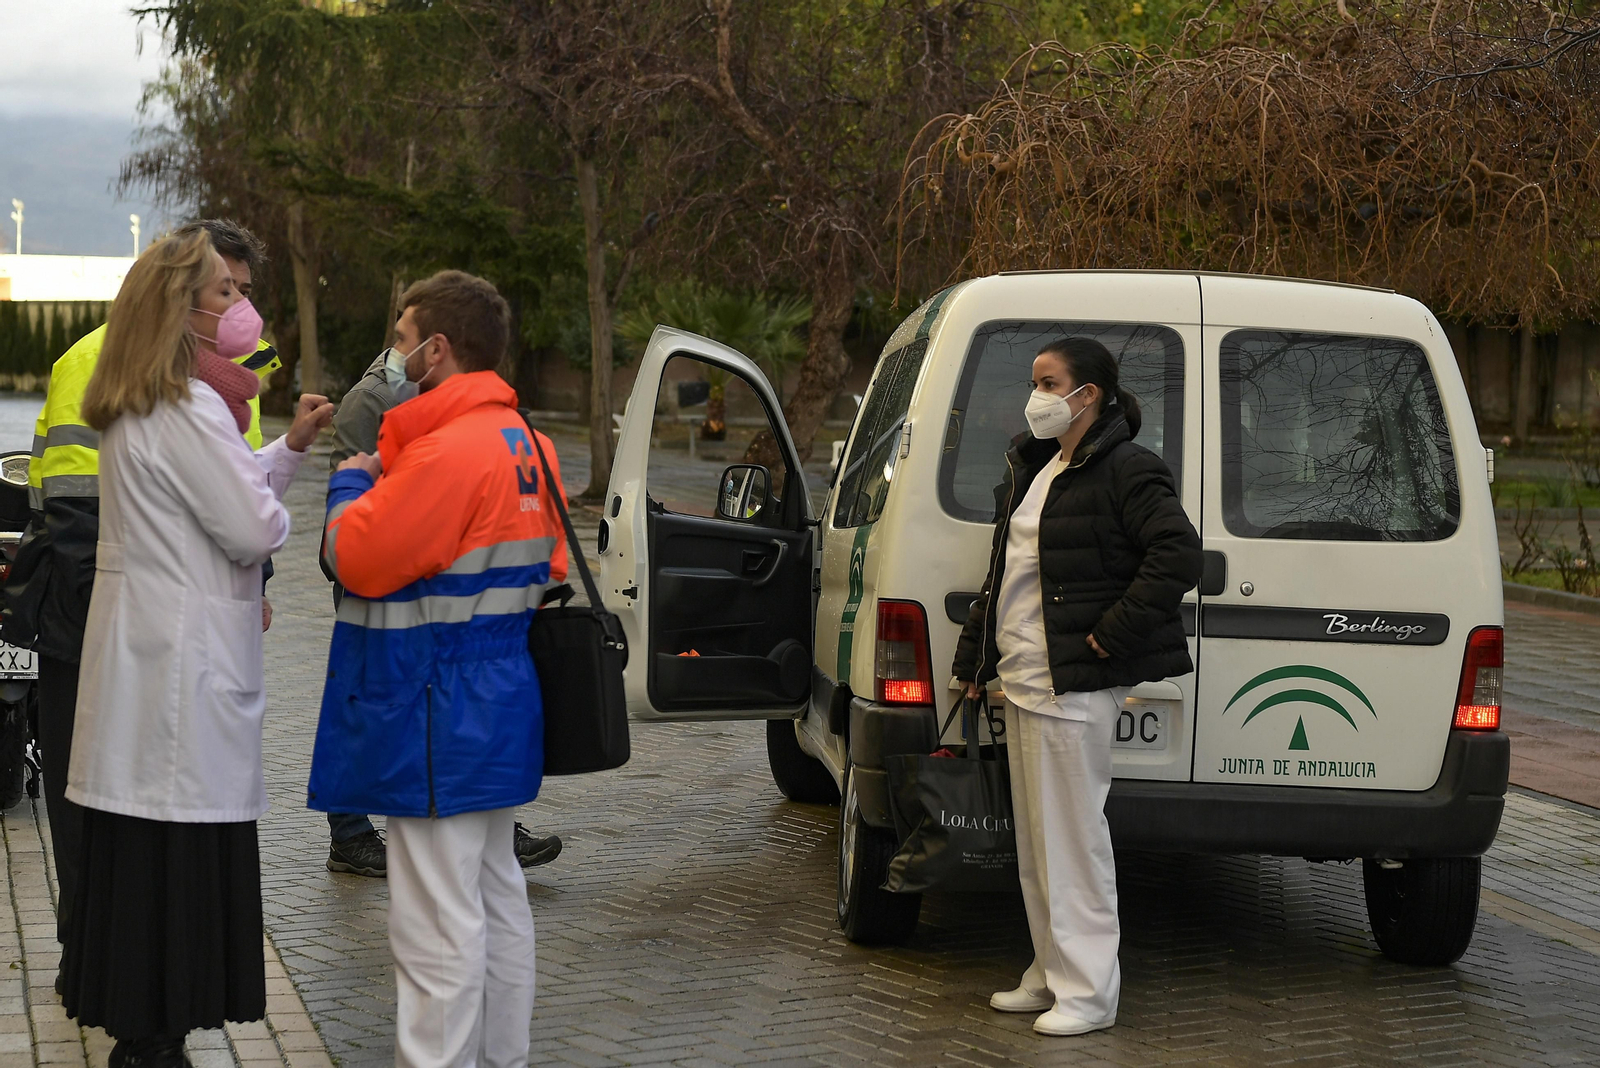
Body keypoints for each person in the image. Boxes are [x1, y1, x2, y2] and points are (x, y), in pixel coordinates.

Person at [57, 231, 334, 1068]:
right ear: (182, 310)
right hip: (180, 670)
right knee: (174, 867)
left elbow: (218, 489)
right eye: (223, 293)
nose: (239, 307)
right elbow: (249, 524)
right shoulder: (187, 407)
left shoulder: (141, 402)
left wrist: (285, 453)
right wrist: (284, 508)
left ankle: (145, 1034)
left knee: (139, 861)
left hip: (151, 661)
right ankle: (155, 1041)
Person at [1, 219, 281, 982]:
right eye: (226, 290)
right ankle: (91, 957)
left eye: (245, 292)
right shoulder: (96, 360)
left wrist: (251, 584)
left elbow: (235, 486)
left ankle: (127, 964)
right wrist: (117, 621)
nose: (241, 309)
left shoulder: (228, 374)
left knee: (146, 802)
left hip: (165, 617)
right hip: (92, 610)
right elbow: (73, 503)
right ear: (182, 291)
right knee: (93, 804)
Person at [310, 270, 565, 1068]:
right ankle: (501, 1059)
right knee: (496, 894)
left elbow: (353, 558)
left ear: (438, 348)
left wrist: (349, 486)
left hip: (432, 706)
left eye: (401, 338)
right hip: (499, 698)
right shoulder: (530, 444)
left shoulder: (446, 452)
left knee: (433, 924)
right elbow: (548, 566)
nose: (394, 353)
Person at [953, 336, 1201, 1037]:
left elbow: (1177, 554)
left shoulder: (1127, 467)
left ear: (1087, 394)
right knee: (1038, 845)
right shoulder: (1040, 467)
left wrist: (1109, 634)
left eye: (1047, 382)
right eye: (1035, 382)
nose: (1035, 396)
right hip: (1025, 680)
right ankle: (1050, 971)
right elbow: (1005, 577)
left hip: (1073, 684)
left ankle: (1090, 993)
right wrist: (975, 660)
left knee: (1073, 841)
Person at [318, 346, 562, 879]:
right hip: (384, 578)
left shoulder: (463, 413)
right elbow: (351, 513)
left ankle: (486, 825)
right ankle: (351, 833)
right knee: (368, 709)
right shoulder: (371, 399)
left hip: (435, 586)